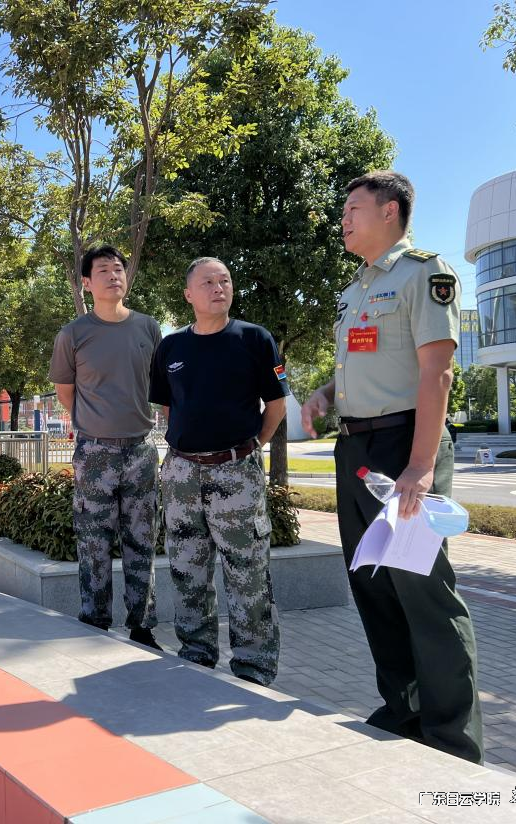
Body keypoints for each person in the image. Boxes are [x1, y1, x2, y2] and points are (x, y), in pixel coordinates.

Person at [300, 171, 483, 763]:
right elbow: (369, 360)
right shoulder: (355, 289)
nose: (344, 218)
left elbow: (437, 373)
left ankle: (452, 737)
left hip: (404, 448)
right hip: (357, 452)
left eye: (354, 208)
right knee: (374, 586)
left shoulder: (424, 274)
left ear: (391, 211)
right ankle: (404, 712)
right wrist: (328, 391)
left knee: (423, 590)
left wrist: (422, 466)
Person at [149, 257, 286, 685]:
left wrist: (248, 448)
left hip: (236, 472)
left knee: (247, 571)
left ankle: (254, 668)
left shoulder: (255, 339)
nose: (218, 287)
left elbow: (276, 405)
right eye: (207, 282)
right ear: (188, 294)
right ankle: (195, 654)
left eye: (225, 280)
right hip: (181, 473)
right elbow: (169, 407)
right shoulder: (171, 348)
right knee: (186, 567)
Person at [49, 246, 163, 649]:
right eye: (104, 270)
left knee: (142, 540)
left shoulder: (148, 327)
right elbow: (66, 391)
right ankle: (95, 621)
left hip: (141, 450)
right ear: (86, 282)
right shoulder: (73, 334)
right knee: (93, 541)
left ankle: (141, 624)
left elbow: (159, 386)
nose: (114, 275)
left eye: (119, 268)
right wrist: (95, 423)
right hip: (94, 453)